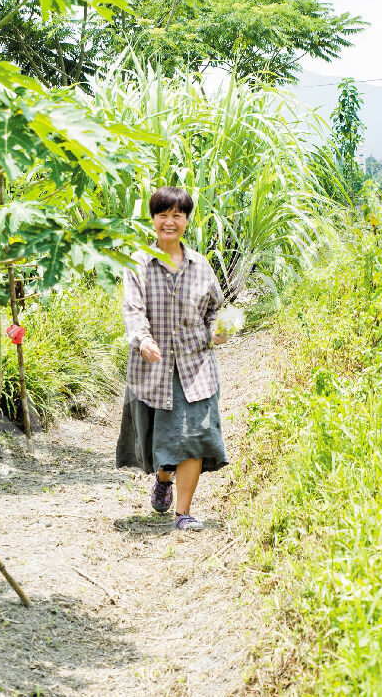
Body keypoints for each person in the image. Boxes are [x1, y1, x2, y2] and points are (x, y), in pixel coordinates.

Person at [115, 186, 228, 532]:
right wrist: (143, 341)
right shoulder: (137, 263)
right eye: (163, 214)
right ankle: (164, 479)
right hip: (155, 368)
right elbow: (133, 313)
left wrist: (218, 331)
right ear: (153, 220)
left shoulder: (200, 265)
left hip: (196, 366)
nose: (170, 221)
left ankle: (184, 513)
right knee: (164, 443)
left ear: (187, 221)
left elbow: (216, 311)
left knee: (194, 436)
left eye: (177, 215)